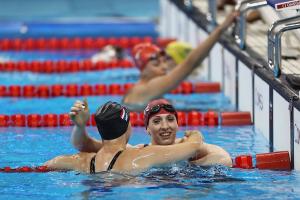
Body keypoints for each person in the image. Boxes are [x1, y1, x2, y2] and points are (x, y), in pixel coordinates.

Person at [121, 11, 238, 110]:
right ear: (143, 70)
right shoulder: (145, 89)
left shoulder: (143, 89)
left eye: (164, 61)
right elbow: (190, 64)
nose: (164, 67)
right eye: (156, 64)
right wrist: (220, 29)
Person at [44, 101, 203, 174]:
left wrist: (80, 127)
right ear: (128, 127)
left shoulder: (81, 161)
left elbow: (43, 167)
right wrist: (194, 134)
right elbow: (195, 146)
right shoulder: (142, 155)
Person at [70, 99, 232, 167]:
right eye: (156, 121)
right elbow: (83, 145)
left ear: (177, 123)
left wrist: (194, 162)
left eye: (170, 119)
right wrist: (80, 126)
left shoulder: (189, 148)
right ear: (147, 129)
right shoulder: (137, 152)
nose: (164, 126)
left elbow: (225, 160)